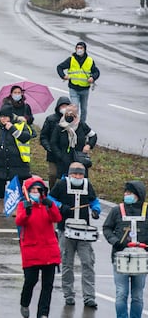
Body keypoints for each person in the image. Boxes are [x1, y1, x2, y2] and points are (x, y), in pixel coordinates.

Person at [49, 162, 101, 308]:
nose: (77, 177)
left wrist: (96, 210)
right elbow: (50, 199)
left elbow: (94, 201)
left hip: (84, 231)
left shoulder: (87, 185)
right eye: (75, 174)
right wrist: (60, 206)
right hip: (66, 230)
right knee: (67, 263)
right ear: (69, 174)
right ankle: (69, 294)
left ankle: (89, 296)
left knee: (88, 263)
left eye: (80, 174)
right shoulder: (61, 185)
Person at [16, 175, 62, 318]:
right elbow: (19, 221)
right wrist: (27, 212)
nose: (36, 192)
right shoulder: (23, 205)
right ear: (27, 191)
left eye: (38, 190)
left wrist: (51, 206)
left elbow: (57, 218)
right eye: (33, 190)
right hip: (32, 250)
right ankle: (25, 302)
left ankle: (43, 313)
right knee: (30, 280)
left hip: (49, 250)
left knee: (47, 285)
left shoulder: (47, 205)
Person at [103, 180, 148, 318]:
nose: (126, 195)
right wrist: (116, 242)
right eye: (126, 192)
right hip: (120, 257)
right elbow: (107, 228)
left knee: (138, 295)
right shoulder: (117, 210)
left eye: (130, 193)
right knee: (121, 293)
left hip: (141, 258)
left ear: (138, 195)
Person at [0, 104, 33, 215]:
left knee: (16, 186)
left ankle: (16, 207)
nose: (3, 119)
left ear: (10, 117)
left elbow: (26, 137)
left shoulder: (21, 125)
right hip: (1, 162)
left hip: (17, 162)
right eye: (1, 117)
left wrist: (12, 128)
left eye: (6, 117)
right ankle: (0, 205)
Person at [49, 104, 97, 180]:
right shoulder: (60, 127)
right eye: (67, 113)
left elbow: (93, 136)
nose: (69, 116)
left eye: (72, 114)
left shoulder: (81, 125)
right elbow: (53, 143)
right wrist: (60, 155)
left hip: (79, 160)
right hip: (64, 162)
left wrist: (89, 145)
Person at [56, 41, 99, 123]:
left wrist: (93, 78)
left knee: (84, 109)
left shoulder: (89, 60)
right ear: (75, 49)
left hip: (85, 89)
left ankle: (82, 126)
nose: (79, 50)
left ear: (85, 49)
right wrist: (63, 76)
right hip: (73, 88)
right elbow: (59, 67)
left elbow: (97, 72)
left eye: (81, 48)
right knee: (75, 108)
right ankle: (75, 124)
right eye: (78, 48)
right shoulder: (71, 59)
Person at [40, 96, 71, 187]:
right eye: (62, 106)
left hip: (67, 154)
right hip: (53, 153)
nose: (64, 109)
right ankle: (52, 191)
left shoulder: (73, 120)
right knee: (53, 174)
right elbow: (44, 136)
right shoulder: (51, 119)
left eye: (66, 106)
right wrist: (48, 147)